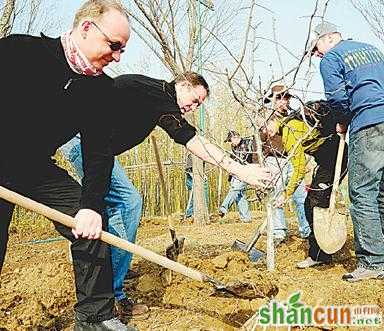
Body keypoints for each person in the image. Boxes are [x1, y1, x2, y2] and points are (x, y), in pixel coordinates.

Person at [0, 1, 133, 330]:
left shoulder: (101, 90)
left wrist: (90, 206)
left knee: (89, 223)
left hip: (34, 168)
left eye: (123, 50)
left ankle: (96, 317)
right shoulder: (18, 52)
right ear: (87, 28)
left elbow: (98, 156)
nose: (117, 56)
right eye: (114, 45)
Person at [306, 21, 384, 281]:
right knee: (381, 193)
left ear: (327, 38)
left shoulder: (332, 58)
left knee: (362, 193)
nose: (317, 54)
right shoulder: (373, 49)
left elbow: (338, 97)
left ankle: (373, 263)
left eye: (316, 48)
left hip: (368, 123)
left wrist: (342, 119)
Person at [60, 136, 148, 321]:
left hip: (95, 139)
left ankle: (113, 275)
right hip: (82, 139)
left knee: (116, 208)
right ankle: (112, 293)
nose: (194, 106)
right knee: (128, 201)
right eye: (195, 103)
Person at [265, 99, 348, 268]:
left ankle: (320, 255)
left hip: (334, 158)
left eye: (265, 127)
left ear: (272, 120)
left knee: (313, 203)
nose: (266, 133)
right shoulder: (293, 124)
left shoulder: (288, 130)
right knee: (312, 203)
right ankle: (322, 252)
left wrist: (287, 194)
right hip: (327, 160)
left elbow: (299, 168)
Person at [262, 84, 311, 244]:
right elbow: (260, 144)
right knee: (276, 196)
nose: (283, 101)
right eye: (279, 98)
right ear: (273, 101)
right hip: (274, 160)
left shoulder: (295, 117)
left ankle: (307, 230)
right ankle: (278, 233)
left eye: (286, 98)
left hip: (294, 158)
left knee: (301, 197)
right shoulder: (267, 120)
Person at [218, 131, 253, 223]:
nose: (230, 143)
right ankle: (246, 218)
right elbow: (232, 161)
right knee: (239, 195)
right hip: (236, 173)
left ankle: (223, 208)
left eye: (231, 140)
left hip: (245, 171)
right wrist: (230, 176)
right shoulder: (234, 147)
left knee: (235, 189)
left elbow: (250, 158)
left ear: (235, 137)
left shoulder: (248, 144)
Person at [183, 152, 208, 219]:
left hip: (198, 178)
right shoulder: (192, 156)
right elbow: (189, 170)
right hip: (192, 178)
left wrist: (203, 175)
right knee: (194, 196)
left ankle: (202, 212)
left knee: (202, 195)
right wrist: (197, 177)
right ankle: (189, 214)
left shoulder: (201, 155)